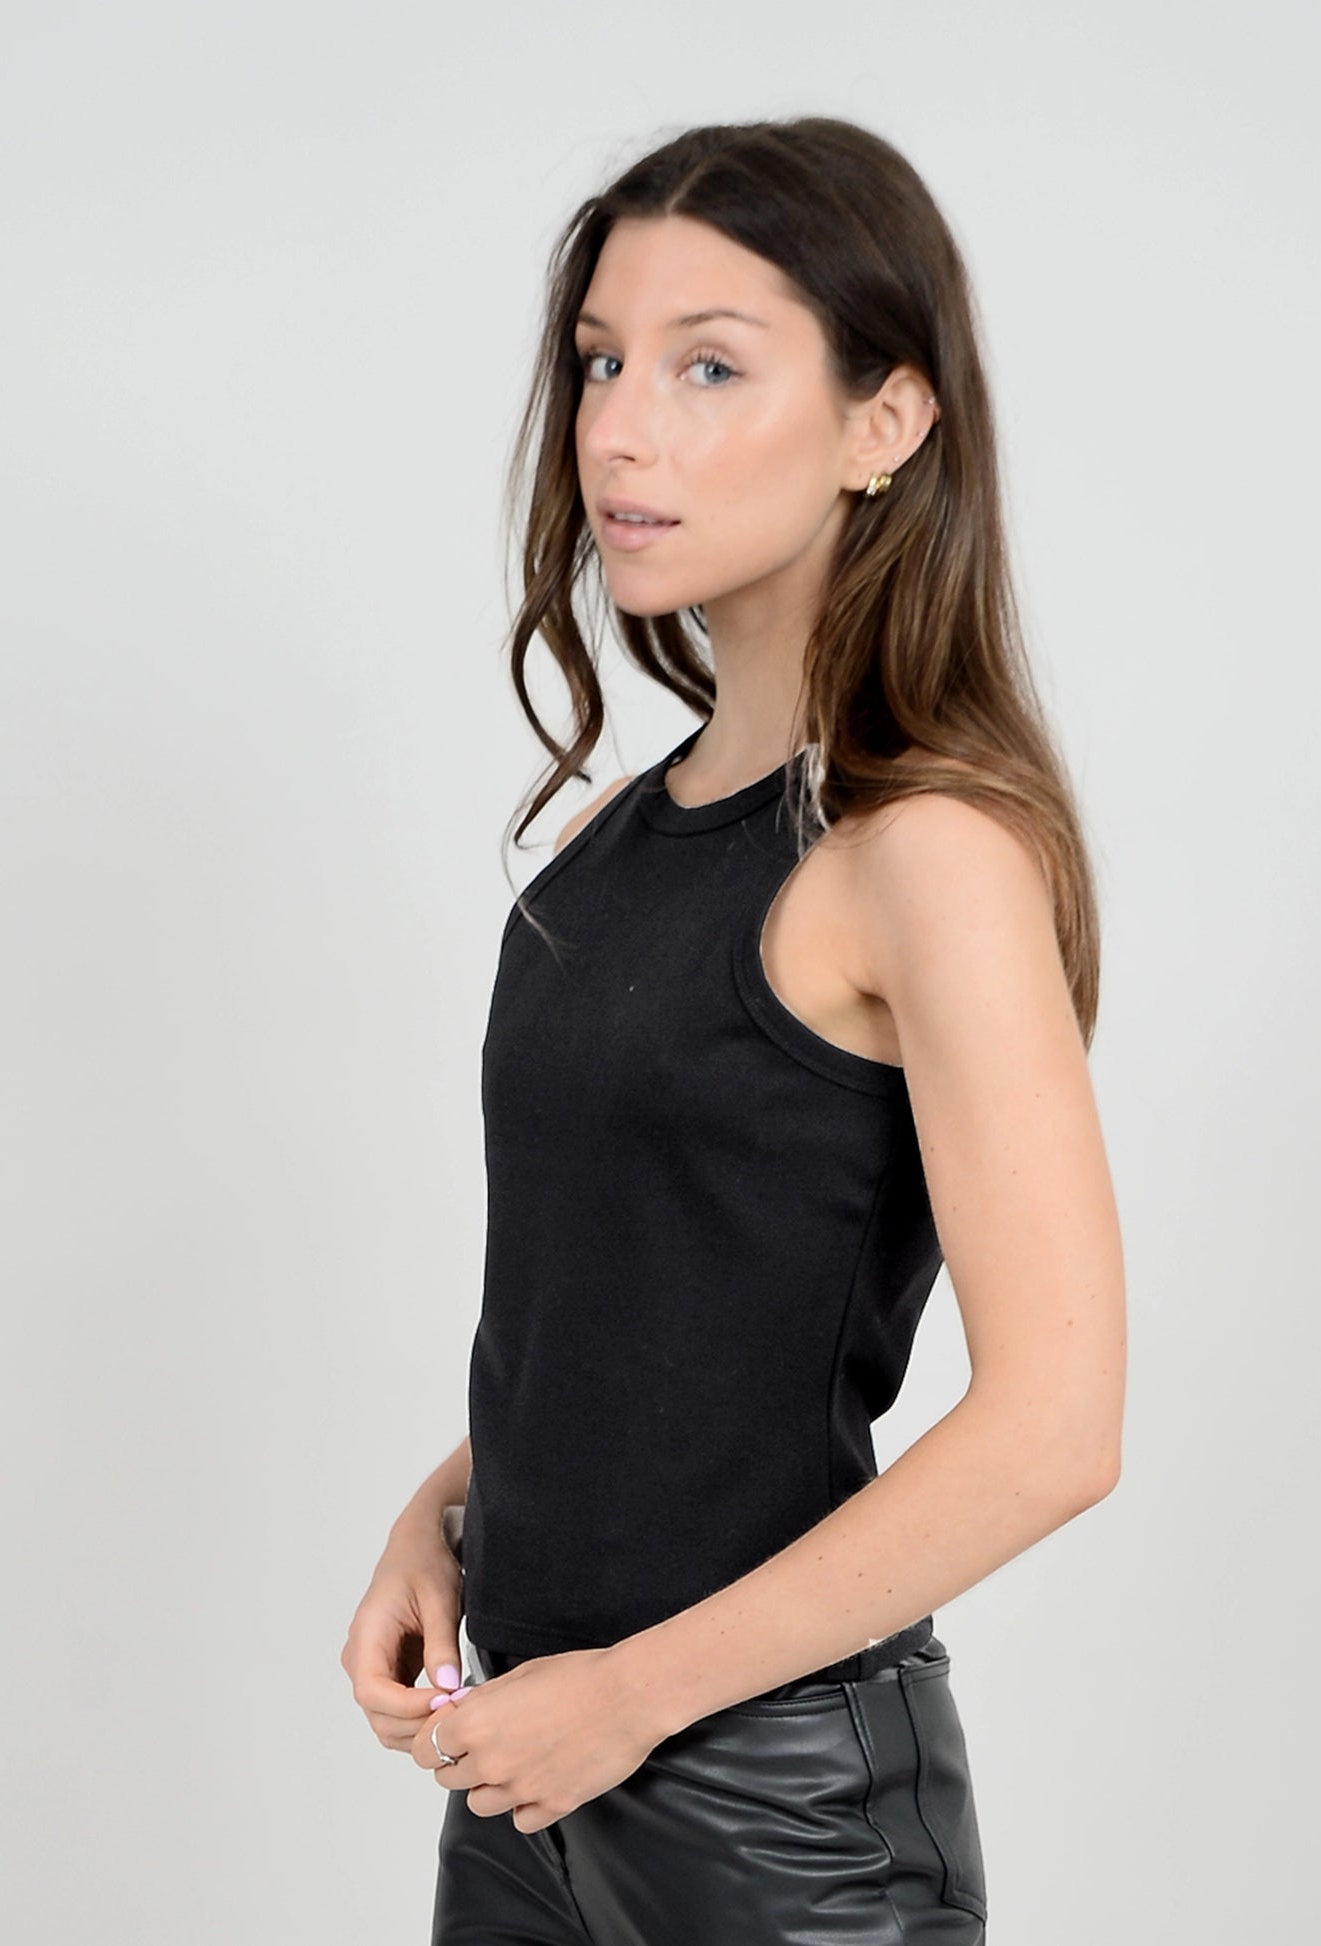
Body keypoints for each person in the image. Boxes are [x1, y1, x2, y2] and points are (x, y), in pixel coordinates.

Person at [340, 115, 1127, 1943]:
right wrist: (442, 1518)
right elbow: (636, 1315)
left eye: (709, 366)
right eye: (601, 361)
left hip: (776, 1805)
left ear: (884, 421)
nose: (620, 429)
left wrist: (629, 1694)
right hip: (530, 1765)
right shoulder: (616, 840)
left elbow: (1057, 1425)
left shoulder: (924, 857)